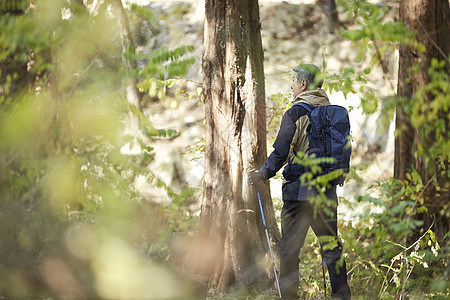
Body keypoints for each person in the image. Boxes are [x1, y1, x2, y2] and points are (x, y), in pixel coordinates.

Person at [250, 64, 351, 299]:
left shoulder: (295, 113)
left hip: (298, 194)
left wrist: (262, 174)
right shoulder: (332, 114)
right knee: (332, 249)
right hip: (326, 193)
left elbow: (280, 152)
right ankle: (342, 296)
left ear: (303, 85)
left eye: (294, 81)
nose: (291, 86)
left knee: (289, 251)